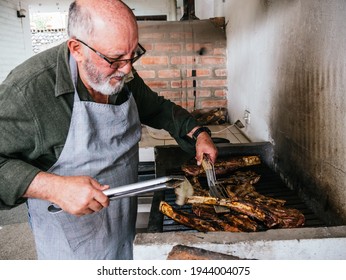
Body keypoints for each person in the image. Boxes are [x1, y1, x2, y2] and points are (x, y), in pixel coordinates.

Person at [0, 0, 217, 260]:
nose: (127, 69)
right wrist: (53, 187)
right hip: (71, 242)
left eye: (132, 55)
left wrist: (198, 134)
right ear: (77, 49)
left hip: (122, 222)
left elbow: (157, 108)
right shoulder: (28, 92)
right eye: (115, 60)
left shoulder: (122, 73)